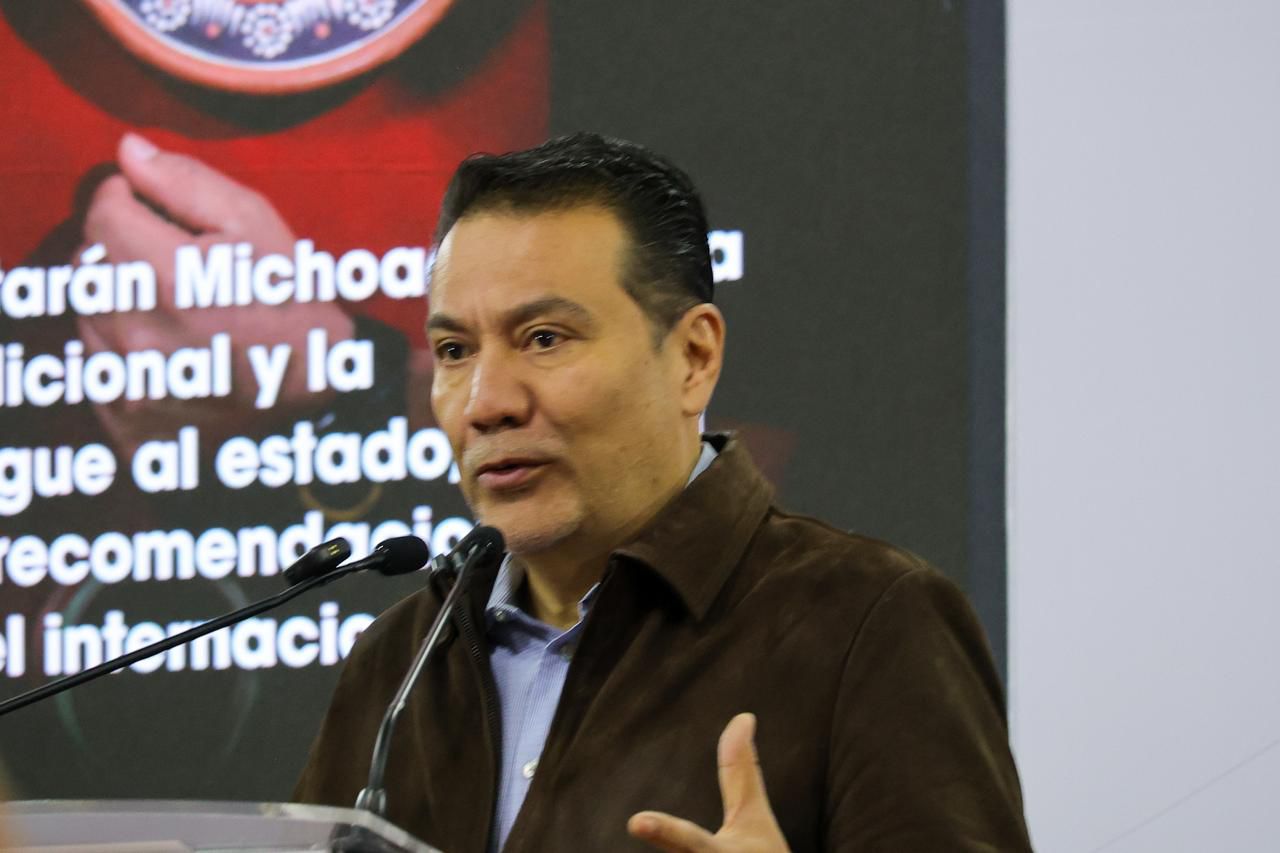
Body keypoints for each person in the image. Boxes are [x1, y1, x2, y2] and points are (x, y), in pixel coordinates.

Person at [294, 133, 1032, 852]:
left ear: (693, 357)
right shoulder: (401, 662)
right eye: (454, 351)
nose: (486, 402)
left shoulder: (867, 621)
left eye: (545, 338)